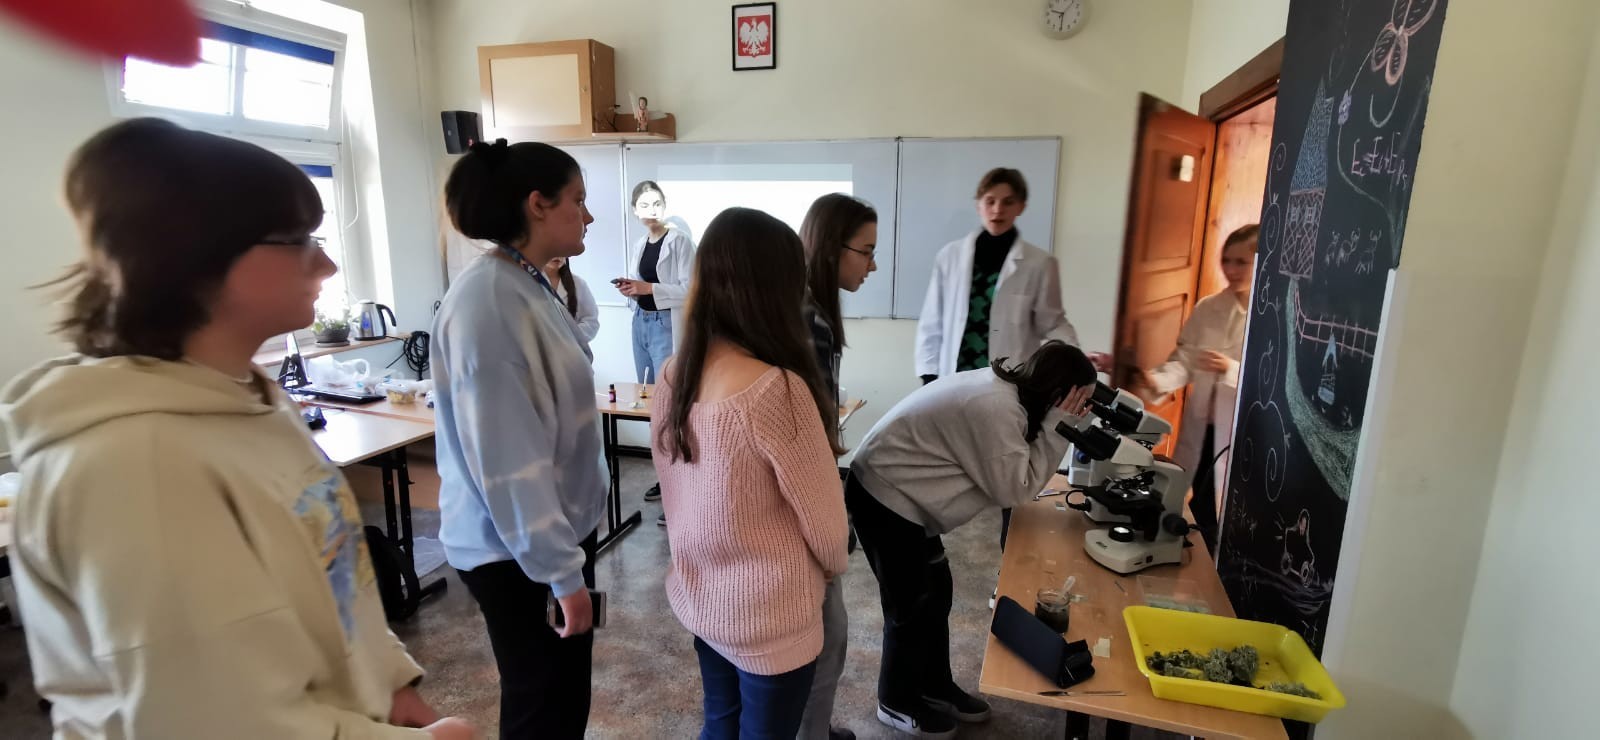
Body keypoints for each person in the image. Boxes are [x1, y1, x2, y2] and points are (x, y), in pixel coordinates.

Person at [0, 118, 474, 739]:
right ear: (200, 254)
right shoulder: (135, 463)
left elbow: (329, 570)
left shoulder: (247, 397)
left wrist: (386, 681)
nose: (328, 264)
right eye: (300, 241)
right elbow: (210, 721)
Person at [431, 138, 608, 739]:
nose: (588, 215)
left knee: (564, 698)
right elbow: (509, 463)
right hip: (517, 554)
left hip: (548, 538)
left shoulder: (526, 282)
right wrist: (561, 574)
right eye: (578, 200)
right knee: (542, 705)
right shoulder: (488, 303)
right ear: (538, 204)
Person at [651, 207, 851, 740]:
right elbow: (828, 529)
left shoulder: (672, 376)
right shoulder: (776, 389)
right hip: (771, 616)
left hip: (703, 599)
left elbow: (674, 490)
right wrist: (832, 567)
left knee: (720, 723)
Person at [847, 341, 1097, 739]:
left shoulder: (1009, 397)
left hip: (906, 493)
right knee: (910, 603)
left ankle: (934, 685)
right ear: (1058, 397)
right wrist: (1058, 427)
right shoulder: (997, 409)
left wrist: (1057, 423)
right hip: (884, 495)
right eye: (1078, 404)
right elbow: (1016, 488)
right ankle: (895, 700)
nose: (1080, 414)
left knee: (938, 591)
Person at [913, 167, 1107, 552]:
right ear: (978, 204)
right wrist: (928, 376)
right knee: (947, 460)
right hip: (956, 377)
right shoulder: (950, 256)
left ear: (1021, 207)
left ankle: (1011, 553)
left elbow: (1053, 320)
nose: (997, 209)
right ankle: (930, 540)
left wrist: (1074, 355)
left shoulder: (1038, 263)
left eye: (1007, 202)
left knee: (1014, 466)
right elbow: (932, 320)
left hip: (1010, 382)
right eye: (990, 201)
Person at [796, 192, 878, 740]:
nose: (871, 265)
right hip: (804, 495)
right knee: (827, 633)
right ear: (832, 249)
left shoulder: (806, 308)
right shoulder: (811, 318)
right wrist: (832, 523)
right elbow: (815, 438)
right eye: (865, 251)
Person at [1134, 223, 1259, 556]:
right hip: (1203, 426)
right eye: (1226, 260)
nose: (1231, 269)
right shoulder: (1208, 308)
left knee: (1231, 509)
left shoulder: (1269, 313)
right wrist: (1157, 380)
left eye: (1241, 262)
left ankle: (1221, 566)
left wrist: (1230, 369)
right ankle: (1196, 562)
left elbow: (1272, 378)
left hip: (1244, 429)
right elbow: (1186, 360)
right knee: (1197, 499)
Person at [614, 180, 695, 514]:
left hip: (665, 325)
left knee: (671, 405)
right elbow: (642, 286)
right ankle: (665, 476)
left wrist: (649, 288)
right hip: (641, 324)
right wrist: (632, 289)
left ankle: (681, 485)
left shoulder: (680, 241)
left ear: (665, 205)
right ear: (635, 210)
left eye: (657, 203)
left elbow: (691, 289)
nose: (652, 210)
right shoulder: (639, 244)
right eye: (645, 205)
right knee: (650, 402)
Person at [544, 256, 601, 347]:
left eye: (562, 251)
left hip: (571, 348)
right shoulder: (529, 281)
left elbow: (591, 321)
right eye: (552, 250)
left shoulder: (578, 283)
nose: (557, 255)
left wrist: (568, 336)